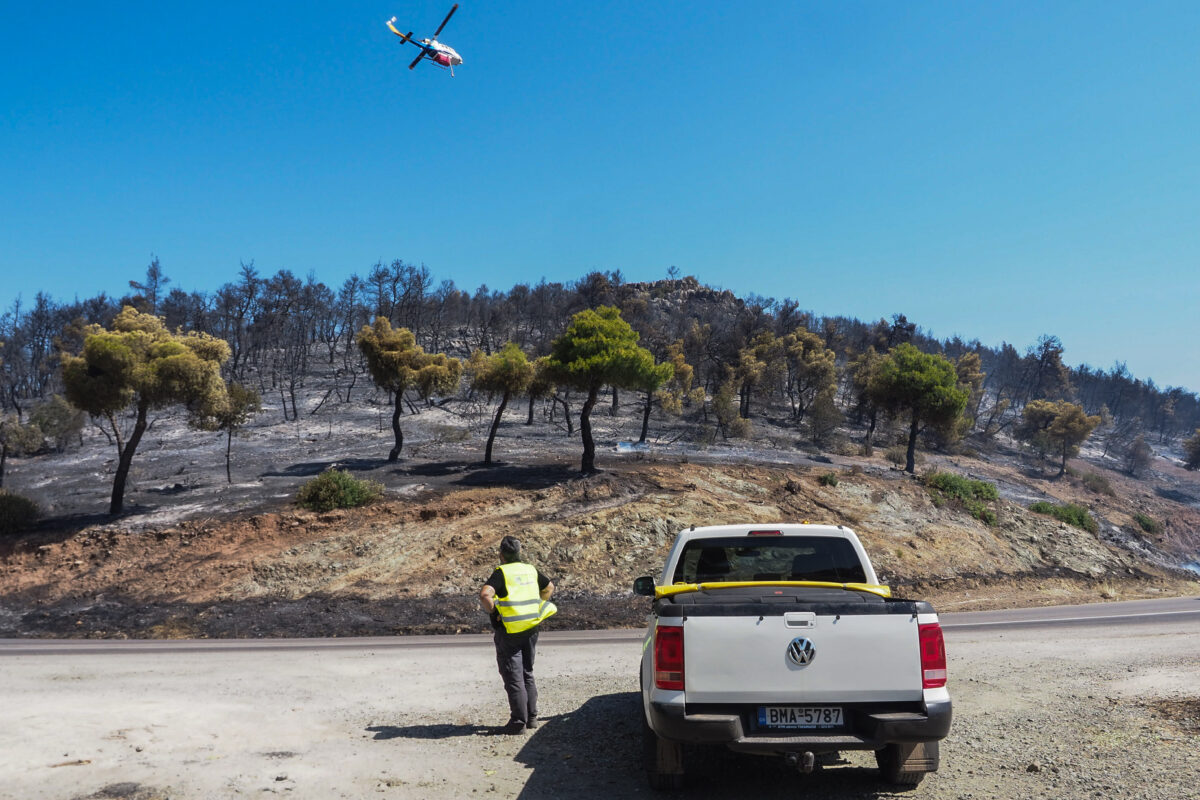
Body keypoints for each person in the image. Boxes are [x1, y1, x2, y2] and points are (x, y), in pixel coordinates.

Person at [479, 535, 556, 734]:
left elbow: (485, 594)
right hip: (531, 628)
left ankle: (518, 722)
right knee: (527, 672)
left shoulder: (502, 572)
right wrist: (538, 604)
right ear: (519, 552)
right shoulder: (530, 569)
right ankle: (531, 717)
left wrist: (494, 611)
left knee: (513, 676)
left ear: (501, 554)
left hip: (510, 630)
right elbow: (549, 587)